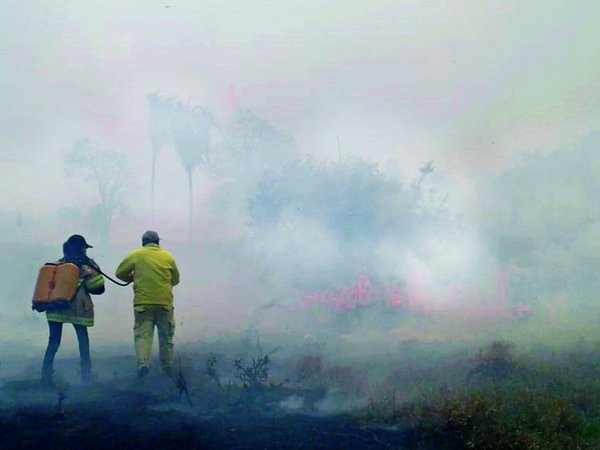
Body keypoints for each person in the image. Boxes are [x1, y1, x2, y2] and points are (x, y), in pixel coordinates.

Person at [42, 234, 105, 386]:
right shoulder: (87, 267)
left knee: (54, 342)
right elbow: (98, 289)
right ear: (82, 249)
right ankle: (86, 375)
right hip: (78, 310)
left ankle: (46, 377)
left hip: (55, 309)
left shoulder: (55, 266)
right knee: (83, 341)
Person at [115, 230, 180, 378]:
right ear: (158, 242)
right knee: (166, 336)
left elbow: (119, 273)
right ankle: (166, 367)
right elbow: (175, 280)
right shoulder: (168, 256)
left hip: (142, 303)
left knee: (143, 336)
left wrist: (131, 277)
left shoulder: (136, 255)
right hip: (165, 303)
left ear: (143, 242)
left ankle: (143, 364)